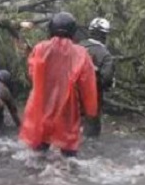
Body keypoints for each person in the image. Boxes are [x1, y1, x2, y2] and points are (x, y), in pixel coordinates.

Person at [19, 12, 98, 157]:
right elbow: (88, 85)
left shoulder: (40, 48)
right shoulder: (81, 53)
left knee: (38, 153)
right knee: (68, 153)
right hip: (68, 108)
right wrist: (90, 111)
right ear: (73, 31)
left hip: (42, 106)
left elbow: (32, 73)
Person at [80, 17, 115, 138]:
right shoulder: (105, 55)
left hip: (70, 99)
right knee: (91, 137)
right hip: (93, 100)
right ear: (104, 35)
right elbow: (107, 80)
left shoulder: (77, 47)